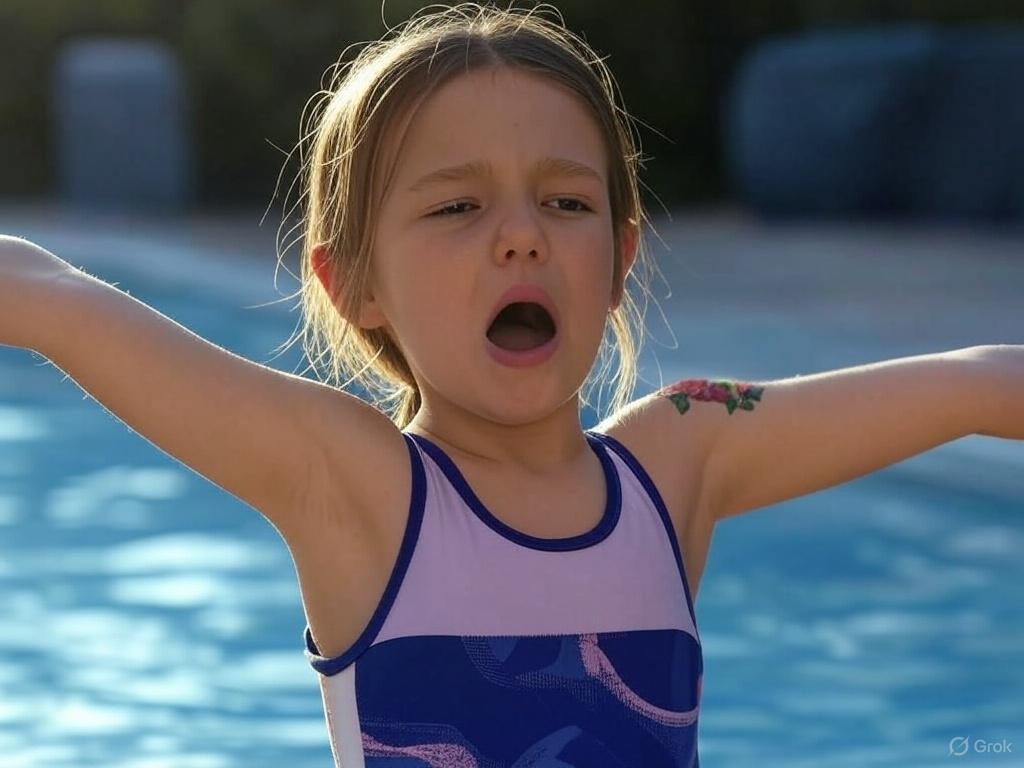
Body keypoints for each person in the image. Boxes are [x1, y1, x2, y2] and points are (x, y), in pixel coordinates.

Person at [1, 3, 1019, 767]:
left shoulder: (678, 460)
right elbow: (57, 302)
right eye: (457, 208)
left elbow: (970, 383)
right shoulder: (360, 489)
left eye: (566, 202)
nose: (523, 235)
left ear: (619, 258)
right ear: (352, 283)